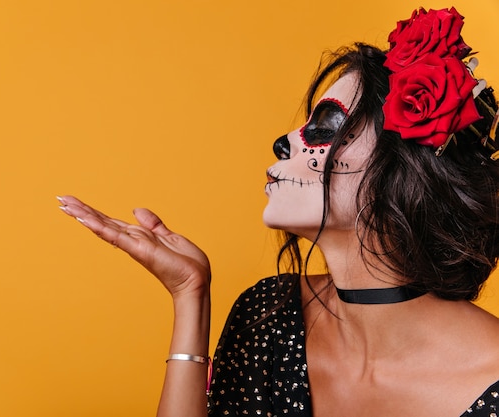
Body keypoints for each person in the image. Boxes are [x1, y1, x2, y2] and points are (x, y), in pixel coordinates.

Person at [58, 7, 499, 417]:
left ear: (407, 163)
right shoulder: (267, 316)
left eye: (325, 125)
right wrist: (190, 296)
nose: (285, 141)